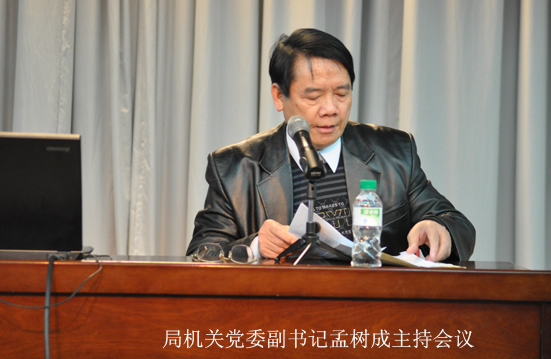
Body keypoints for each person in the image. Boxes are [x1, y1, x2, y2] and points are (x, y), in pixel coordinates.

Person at [187, 28, 475, 262]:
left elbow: (456, 223)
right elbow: (202, 252)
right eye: (313, 97)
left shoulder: (394, 152)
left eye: (341, 94)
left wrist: (439, 228)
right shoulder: (234, 168)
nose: (330, 109)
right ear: (278, 96)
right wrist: (256, 246)